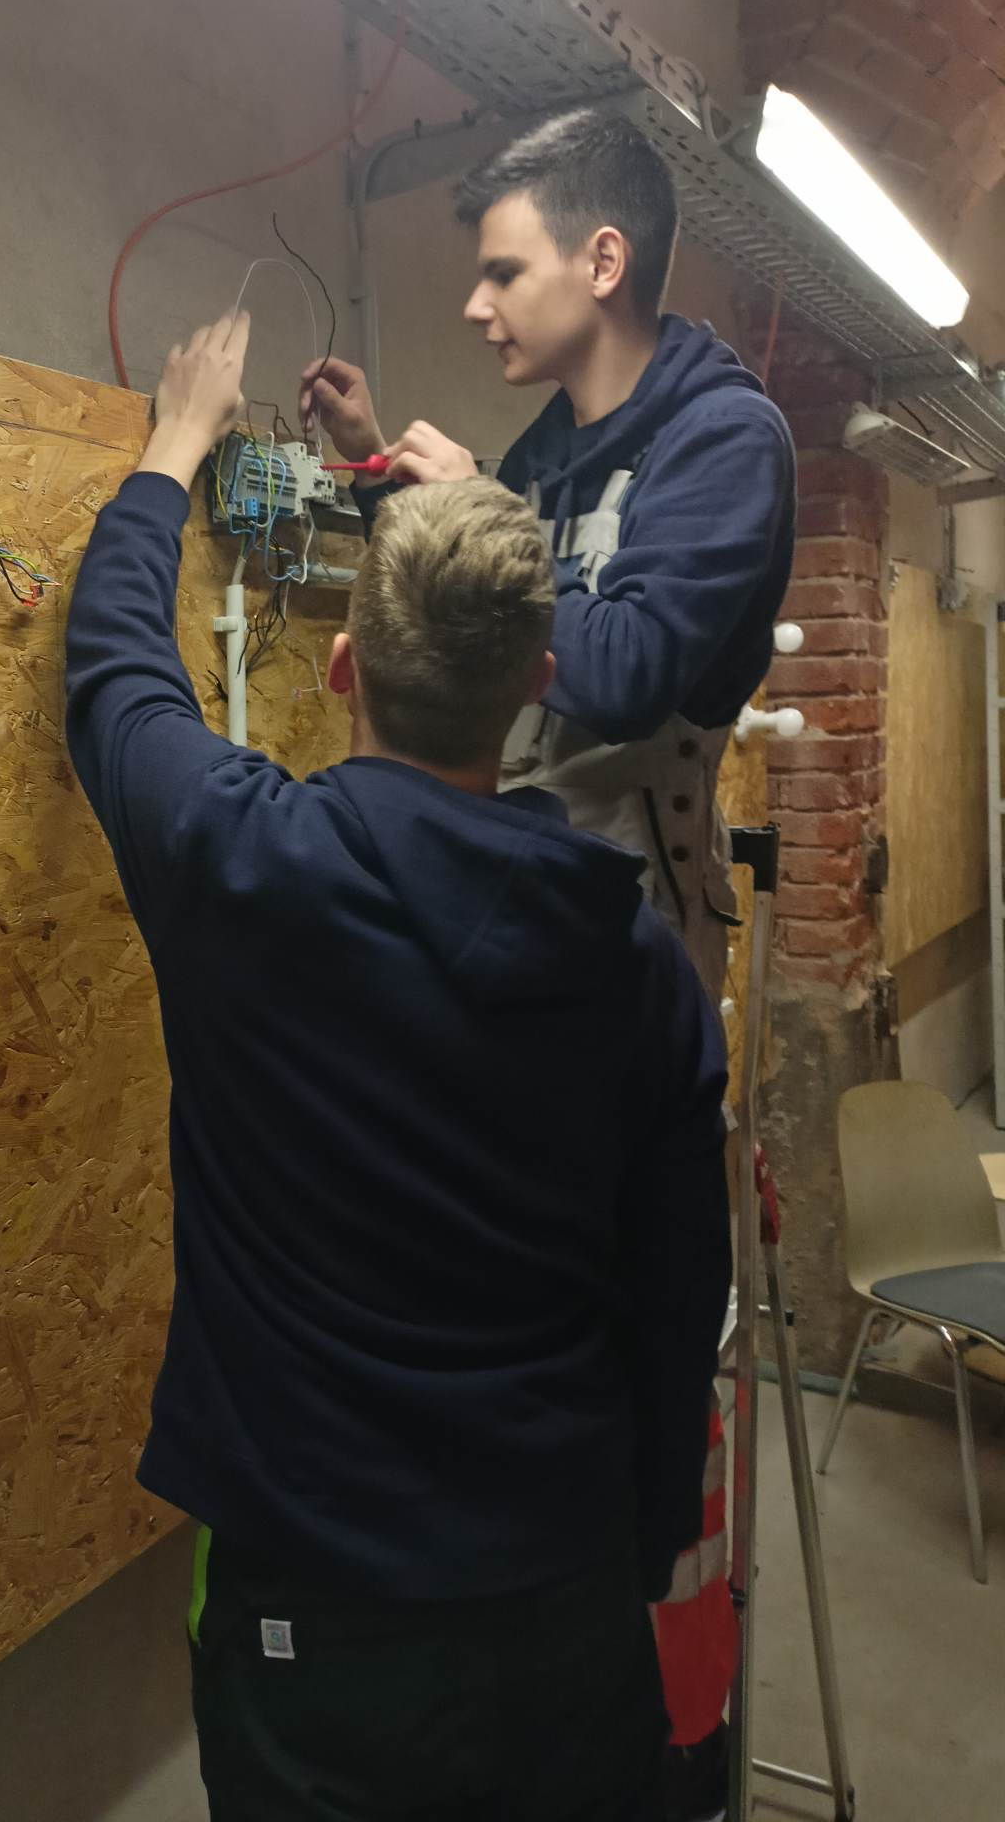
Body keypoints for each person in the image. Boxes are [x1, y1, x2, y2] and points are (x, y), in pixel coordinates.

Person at [65, 309, 731, 1822]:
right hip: (565, 1603)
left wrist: (175, 443)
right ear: (539, 679)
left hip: (317, 1626)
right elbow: (675, 1294)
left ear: (342, 666)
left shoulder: (243, 865)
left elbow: (116, 675)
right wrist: (635, 1551)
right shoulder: (639, 970)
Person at [300, 109, 798, 1822]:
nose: (477, 302)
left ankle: (658, 1739)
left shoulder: (721, 438)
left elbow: (630, 660)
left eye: (502, 268)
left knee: (629, 1336)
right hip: (513, 917)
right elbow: (483, 596)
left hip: (626, 941)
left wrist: (467, 503)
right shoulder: (561, 448)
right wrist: (391, 470)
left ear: (603, 259)